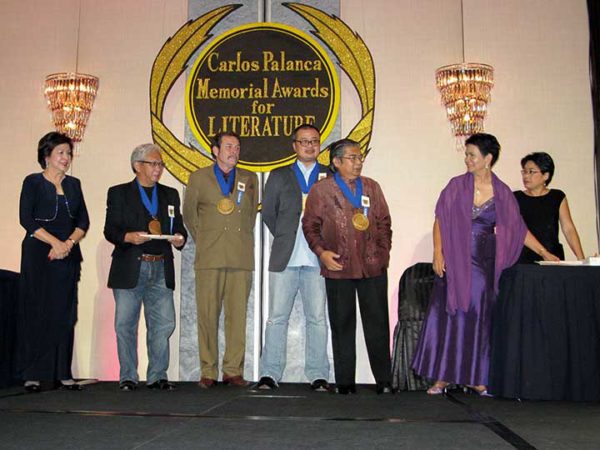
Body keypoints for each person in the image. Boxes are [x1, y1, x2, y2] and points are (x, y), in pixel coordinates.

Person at [412, 133, 559, 396]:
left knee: (478, 315)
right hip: (454, 257)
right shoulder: (456, 185)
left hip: (483, 259)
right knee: (450, 313)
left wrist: (544, 252)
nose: (467, 159)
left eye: (472, 155)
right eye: (466, 154)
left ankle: (477, 377)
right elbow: (440, 220)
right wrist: (437, 251)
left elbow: (518, 229)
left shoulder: (502, 192)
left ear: (488, 159)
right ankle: (443, 377)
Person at [303, 139, 393, 395]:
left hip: (372, 267)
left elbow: (385, 222)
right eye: (352, 158)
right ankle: (345, 383)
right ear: (336, 162)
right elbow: (310, 226)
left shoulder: (372, 188)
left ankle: (384, 381)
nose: (358, 162)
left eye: (360, 157)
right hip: (338, 266)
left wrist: (383, 254)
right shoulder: (321, 191)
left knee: (377, 324)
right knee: (341, 324)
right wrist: (321, 253)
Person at [104, 143, 187, 391]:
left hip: (161, 266)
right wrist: (129, 237)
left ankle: (158, 375)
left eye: (160, 164)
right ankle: (128, 376)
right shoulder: (118, 193)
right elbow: (111, 230)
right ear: (137, 166)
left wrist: (180, 238)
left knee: (164, 324)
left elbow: (179, 227)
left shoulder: (170, 194)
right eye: (154, 163)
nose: (158, 168)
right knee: (125, 325)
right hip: (131, 266)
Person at [257, 124, 330, 391]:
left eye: (314, 141)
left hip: (319, 259)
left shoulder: (329, 175)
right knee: (277, 317)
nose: (310, 146)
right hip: (284, 258)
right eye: (304, 141)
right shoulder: (279, 175)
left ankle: (318, 374)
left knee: (317, 319)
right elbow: (268, 213)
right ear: (294, 146)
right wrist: (287, 235)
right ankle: (270, 373)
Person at [183, 131, 258, 389]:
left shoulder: (250, 179)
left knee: (237, 317)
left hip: (240, 256)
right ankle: (208, 370)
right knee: (207, 315)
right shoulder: (198, 177)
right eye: (228, 146)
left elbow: (249, 218)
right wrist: (206, 239)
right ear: (215, 150)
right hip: (209, 256)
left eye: (237, 147)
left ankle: (233, 370)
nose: (234, 151)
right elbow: (190, 215)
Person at [17, 132, 89, 392]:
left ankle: (63, 373)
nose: (66, 158)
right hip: (39, 254)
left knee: (65, 313)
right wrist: (54, 243)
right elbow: (27, 219)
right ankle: (33, 373)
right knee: (36, 312)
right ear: (46, 156)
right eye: (60, 153)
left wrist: (67, 244)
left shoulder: (74, 184)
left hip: (67, 256)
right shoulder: (33, 182)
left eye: (68, 153)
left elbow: (83, 222)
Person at [514, 152, 584, 263]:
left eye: (531, 172)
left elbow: (569, 229)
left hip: (553, 258)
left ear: (546, 175)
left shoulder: (557, 197)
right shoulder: (515, 198)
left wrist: (581, 260)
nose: (526, 176)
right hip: (523, 258)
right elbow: (517, 230)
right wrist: (542, 252)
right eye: (524, 171)